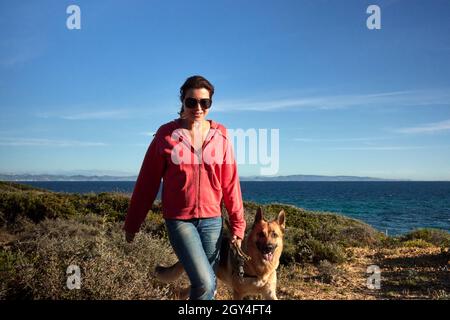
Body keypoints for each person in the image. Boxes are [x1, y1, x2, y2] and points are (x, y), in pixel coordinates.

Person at [123, 75, 246, 300]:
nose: (198, 108)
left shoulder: (221, 135)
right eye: (192, 102)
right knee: (205, 282)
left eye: (204, 103)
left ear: (210, 104)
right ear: (183, 101)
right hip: (180, 220)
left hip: (212, 221)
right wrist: (133, 223)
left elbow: (230, 183)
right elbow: (147, 183)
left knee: (206, 287)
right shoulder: (166, 135)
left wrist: (238, 226)